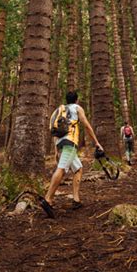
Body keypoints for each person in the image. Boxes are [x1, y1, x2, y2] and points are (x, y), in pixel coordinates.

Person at [40, 90, 102, 219]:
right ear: (76, 100)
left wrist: (56, 149)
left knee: (78, 169)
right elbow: (87, 125)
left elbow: (55, 131)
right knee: (61, 169)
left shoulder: (60, 110)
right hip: (70, 142)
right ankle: (48, 199)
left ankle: (76, 200)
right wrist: (97, 142)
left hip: (61, 142)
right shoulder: (77, 108)